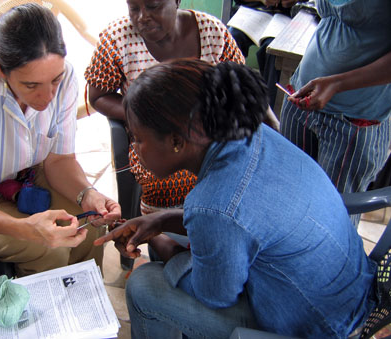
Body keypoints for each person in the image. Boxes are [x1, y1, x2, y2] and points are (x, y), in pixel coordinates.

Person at [94, 59, 379, 338]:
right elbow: (243, 222)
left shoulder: (214, 205)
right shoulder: (250, 132)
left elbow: (215, 295)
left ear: (177, 142)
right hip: (352, 292)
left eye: (137, 138)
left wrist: (163, 243)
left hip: (321, 327)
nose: (134, 147)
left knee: (144, 285)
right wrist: (161, 220)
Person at [0, 3, 120, 277]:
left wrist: (88, 193)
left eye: (55, 80)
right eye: (31, 85)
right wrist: (26, 229)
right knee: (47, 248)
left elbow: (59, 161)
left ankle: (85, 314)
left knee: (89, 227)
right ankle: (46, 317)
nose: (48, 96)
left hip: (22, 177)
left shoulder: (66, 78)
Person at [84, 0, 251, 217]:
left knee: (233, 175)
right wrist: (145, 115)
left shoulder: (213, 32)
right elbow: (98, 96)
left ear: (177, 1)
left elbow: (239, 86)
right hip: (155, 139)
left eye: (153, 6)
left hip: (209, 132)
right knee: (165, 181)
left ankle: (208, 230)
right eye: (134, 8)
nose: (142, 17)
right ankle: (164, 237)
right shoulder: (117, 38)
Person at [279, 0, 391, 225]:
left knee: (331, 220)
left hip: (352, 121)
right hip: (301, 100)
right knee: (288, 202)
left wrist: (337, 83)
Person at [228, 0, 303, 108]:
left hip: (289, 16)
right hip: (253, 11)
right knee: (233, 38)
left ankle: (267, 108)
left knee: (273, 51)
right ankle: (228, 97)